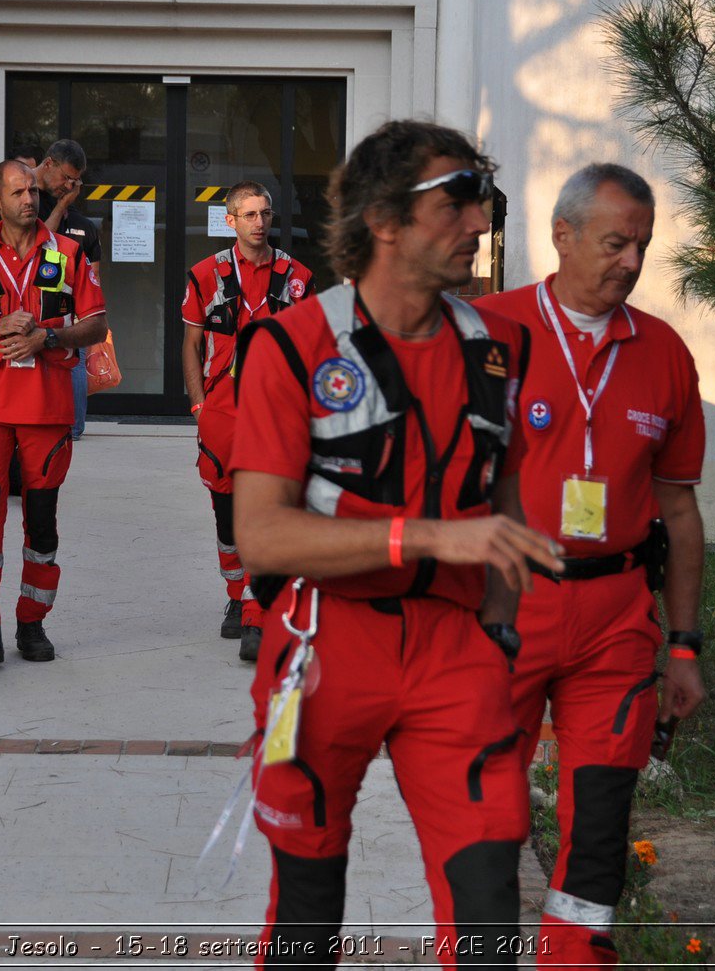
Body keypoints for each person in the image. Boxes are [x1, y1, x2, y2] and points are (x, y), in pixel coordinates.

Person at [231, 120, 563, 967]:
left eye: (481, 201)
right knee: (307, 916)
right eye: (455, 202)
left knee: (489, 916)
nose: (479, 222)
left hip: (456, 652)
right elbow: (261, 534)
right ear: (384, 218)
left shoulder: (499, 348)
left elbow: (506, 511)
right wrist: (428, 536)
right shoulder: (292, 344)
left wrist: (497, 633)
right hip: (323, 644)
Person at [477, 164, 707, 968]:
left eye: (642, 245)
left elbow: (678, 511)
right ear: (563, 235)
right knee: (481, 821)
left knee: (601, 824)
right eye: (616, 242)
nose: (631, 262)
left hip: (613, 619)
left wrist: (684, 643)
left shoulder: (665, 354)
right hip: (501, 611)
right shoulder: (484, 332)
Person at [0, 160, 108, 670]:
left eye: (33, 189)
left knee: (41, 522)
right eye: (18, 191)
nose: (29, 198)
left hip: (49, 409)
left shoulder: (70, 254)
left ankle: (32, 623)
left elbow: (96, 324)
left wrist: (47, 336)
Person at [181, 181, 314, 661]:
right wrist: (198, 406)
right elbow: (191, 346)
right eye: (249, 214)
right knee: (226, 517)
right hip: (221, 415)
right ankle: (237, 597)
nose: (259, 222)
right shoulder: (204, 275)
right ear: (230, 221)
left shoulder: (298, 276)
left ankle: (257, 609)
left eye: (265, 213)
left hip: (277, 416)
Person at [0, 140, 103, 441]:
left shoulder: (59, 199)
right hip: (7, 310)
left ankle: (69, 429)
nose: (69, 186)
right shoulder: (12, 198)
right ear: (49, 164)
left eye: (75, 181)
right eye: (66, 177)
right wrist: (63, 207)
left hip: (51, 310)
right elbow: (27, 245)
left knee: (67, 359)